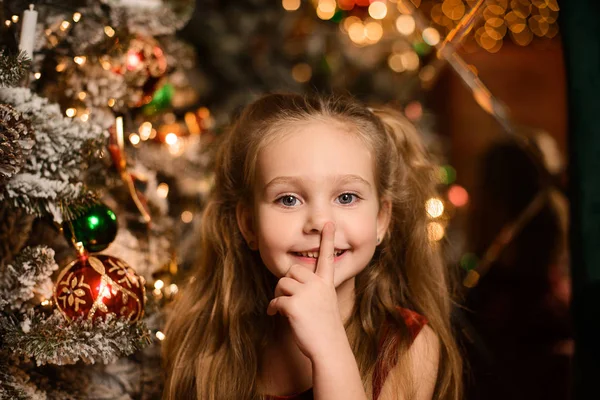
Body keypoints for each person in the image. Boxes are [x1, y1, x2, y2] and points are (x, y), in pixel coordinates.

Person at [162, 93, 463, 400]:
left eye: (346, 197)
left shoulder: (405, 345)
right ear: (249, 224)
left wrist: (329, 344)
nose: (319, 222)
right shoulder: (205, 341)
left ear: (381, 220)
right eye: (288, 199)